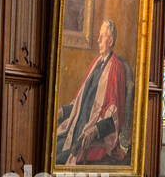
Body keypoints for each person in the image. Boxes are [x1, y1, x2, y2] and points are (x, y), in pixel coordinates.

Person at [54, 19, 132, 166]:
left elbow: (114, 118)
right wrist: (61, 112)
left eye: (102, 36)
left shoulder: (116, 68)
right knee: (51, 149)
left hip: (90, 140)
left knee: (57, 161)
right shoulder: (95, 63)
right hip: (73, 130)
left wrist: (95, 131)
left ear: (110, 41)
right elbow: (79, 104)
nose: (98, 40)